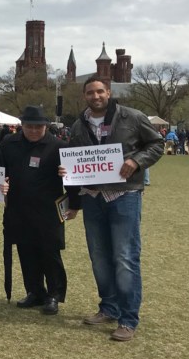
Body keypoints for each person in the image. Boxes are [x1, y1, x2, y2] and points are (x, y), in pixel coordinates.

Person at [62, 76, 163, 341]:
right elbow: (74, 159)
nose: (95, 96)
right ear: (84, 96)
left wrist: (137, 161)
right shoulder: (78, 125)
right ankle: (109, 307)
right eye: (90, 93)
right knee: (99, 256)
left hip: (123, 194)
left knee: (125, 257)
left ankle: (128, 319)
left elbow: (157, 144)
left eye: (100, 91)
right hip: (92, 196)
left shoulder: (133, 117)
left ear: (108, 92)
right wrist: (67, 171)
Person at [0, 106, 80, 315]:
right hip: (18, 207)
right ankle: (35, 291)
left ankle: (54, 295)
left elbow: (73, 178)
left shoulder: (59, 146)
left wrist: (74, 204)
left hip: (48, 210)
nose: (34, 130)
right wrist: (0, 183)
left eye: (38, 127)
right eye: (29, 126)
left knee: (50, 253)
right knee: (26, 252)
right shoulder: (9, 143)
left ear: (46, 126)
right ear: (22, 125)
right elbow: (0, 170)